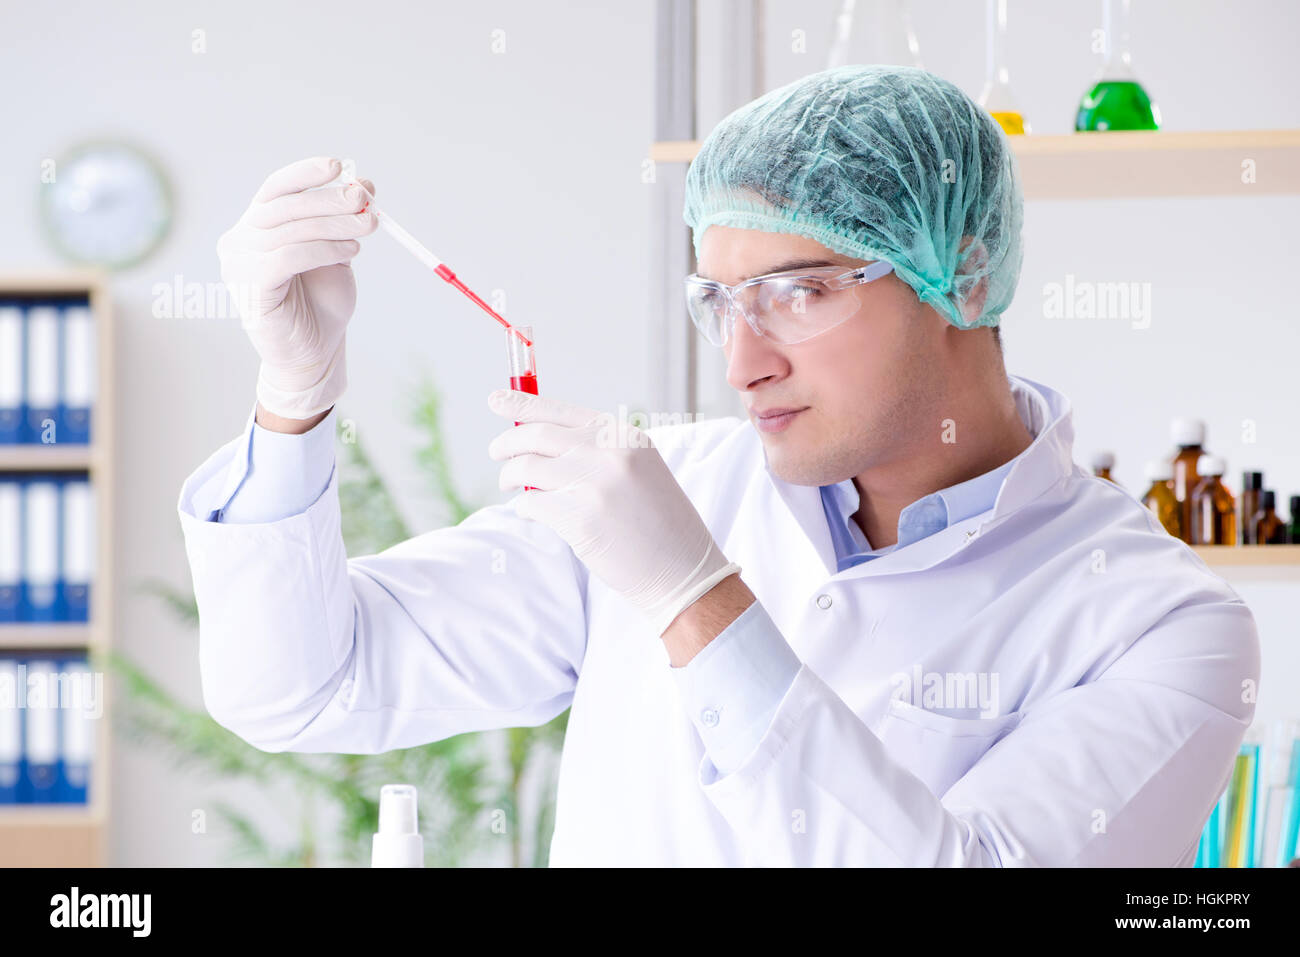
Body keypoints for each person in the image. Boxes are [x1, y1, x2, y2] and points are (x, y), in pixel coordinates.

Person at [178, 65, 1259, 866]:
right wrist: (295, 400)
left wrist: (696, 598)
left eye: (800, 289)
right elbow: (302, 692)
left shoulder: (1161, 627)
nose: (743, 362)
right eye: (718, 302)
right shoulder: (663, 493)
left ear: (960, 277)